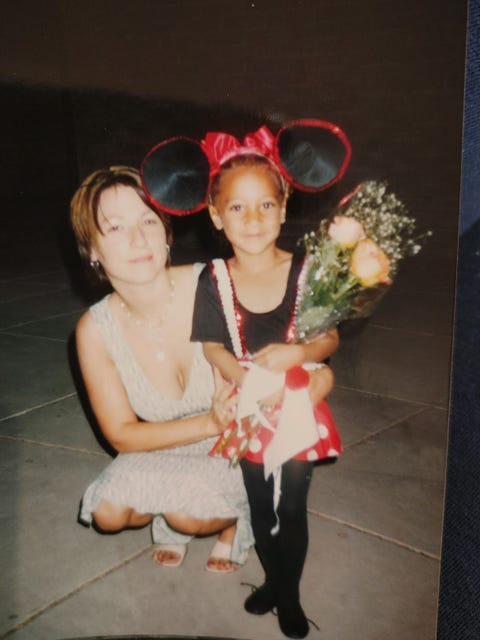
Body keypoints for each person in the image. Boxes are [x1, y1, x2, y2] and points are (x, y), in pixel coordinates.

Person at [140, 120, 350, 638]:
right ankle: (274, 578)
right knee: (260, 505)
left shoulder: (307, 270)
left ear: (284, 207)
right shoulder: (214, 279)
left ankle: (289, 594)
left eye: (264, 205)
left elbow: (330, 340)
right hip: (251, 410)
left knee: (292, 504)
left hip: (299, 407)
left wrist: (302, 351)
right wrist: (243, 375)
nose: (252, 219)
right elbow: (213, 345)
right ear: (215, 215)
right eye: (237, 207)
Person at [70, 165, 254, 573]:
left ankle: (236, 523)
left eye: (148, 220)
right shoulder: (94, 330)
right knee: (108, 512)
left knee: (187, 517)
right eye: (114, 227)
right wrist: (207, 421)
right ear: (93, 249)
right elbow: (121, 434)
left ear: (166, 232)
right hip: (168, 444)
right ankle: (177, 507)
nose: (137, 239)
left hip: (235, 445)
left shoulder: (213, 284)